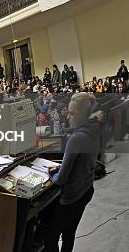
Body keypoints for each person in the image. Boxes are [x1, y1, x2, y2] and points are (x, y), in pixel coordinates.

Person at [43, 93, 100, 252]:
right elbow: (80, 162)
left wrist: (51, 174)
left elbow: (60, 180)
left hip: (72, 197)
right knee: (69, 232)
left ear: (83, 115)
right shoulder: (94, 129)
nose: (67, 117)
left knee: (50, 236)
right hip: (86, 189)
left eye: (72, 113)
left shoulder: (76, 138)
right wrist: (60, 167)